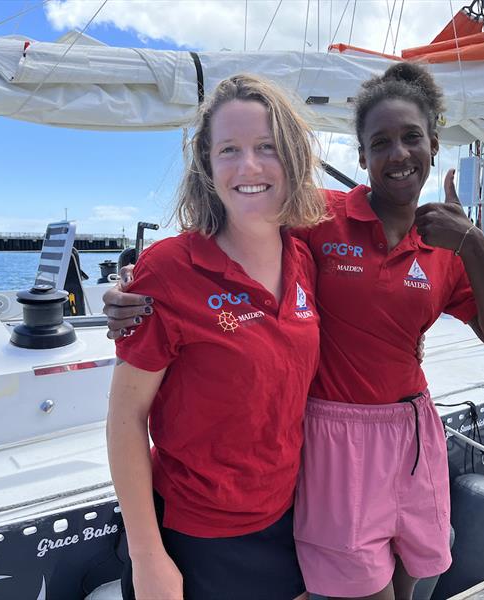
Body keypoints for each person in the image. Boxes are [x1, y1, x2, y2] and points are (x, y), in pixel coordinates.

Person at [105, 63, 484, 600]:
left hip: (355, 468)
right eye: (228, 149)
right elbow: (242, 215)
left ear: (435, 144)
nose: (398, 155)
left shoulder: (374, 247)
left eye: (412, 138)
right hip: (244, 499)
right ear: (361, 154)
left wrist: (473, 244)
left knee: (415, 567)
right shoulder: (309, 225)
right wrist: (130, 291)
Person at [107, 73, 325, 600]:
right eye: (229, 150)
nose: (248, 167)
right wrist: (147, 557)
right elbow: (125, 419)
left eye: (266, 148)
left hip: (287, 520)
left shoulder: (304, 257)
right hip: (193, 536)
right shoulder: (169, 269)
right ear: (207, 164)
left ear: (292, 157)